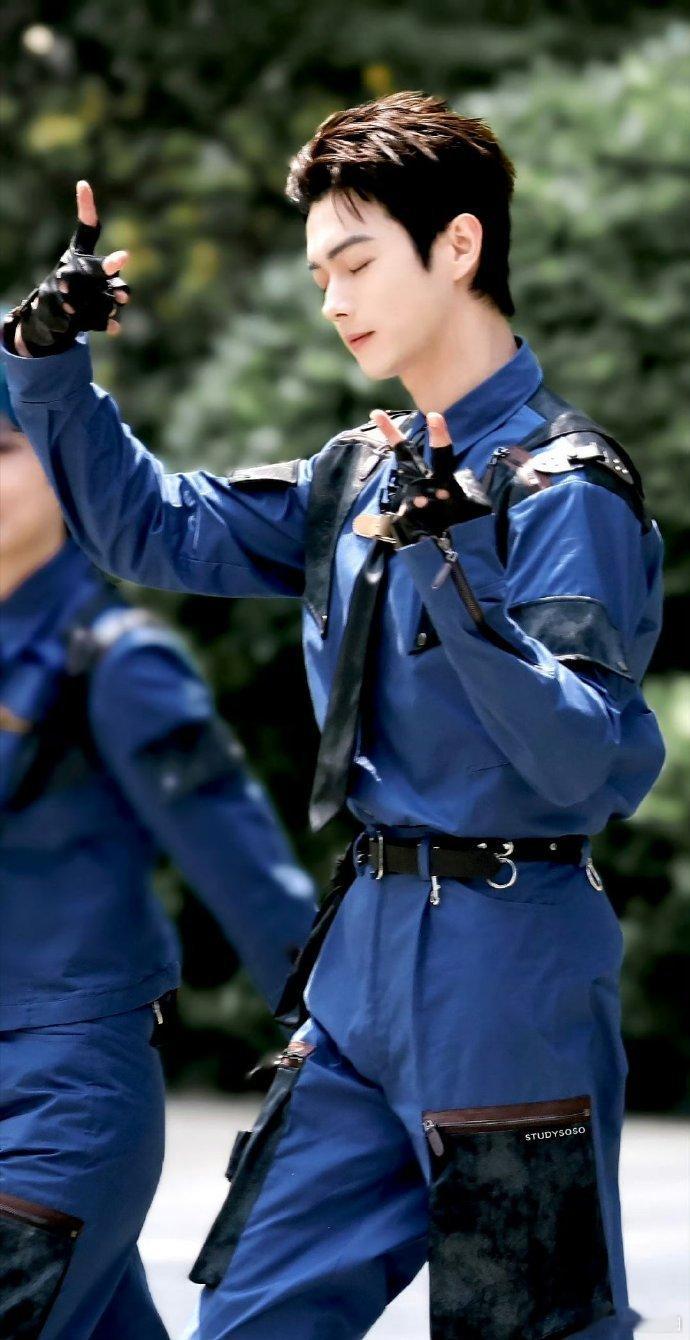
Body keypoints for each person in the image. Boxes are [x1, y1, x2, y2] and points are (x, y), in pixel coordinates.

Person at [1, 90, 665, 1340]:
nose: (333, 300)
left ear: (458, 245)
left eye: (355, 262)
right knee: (252, 1318)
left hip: (508, 962)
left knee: (529, 1329)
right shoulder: (358, 473)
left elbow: (585, 758)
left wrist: (450, 573)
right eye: (320, 275)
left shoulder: (568, 488)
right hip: (360, 966)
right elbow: (153, 527)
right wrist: (47, 364)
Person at [0, 370, 316, 1340]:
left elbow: (245, 870)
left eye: (1, 453)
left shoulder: (117, 660)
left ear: (61, 472)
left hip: (62, 1102)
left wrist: (340, 1019)